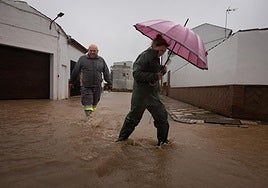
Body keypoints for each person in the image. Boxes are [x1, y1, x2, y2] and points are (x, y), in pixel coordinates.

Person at [116, 34, 170, 146]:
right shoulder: (145, 56)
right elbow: (136, 73)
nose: (162, 53)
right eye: (161, 50)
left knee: (162, 118)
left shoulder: (155, 58)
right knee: (133, 119)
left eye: (164, 51)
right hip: (141, 96)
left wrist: (162, 70)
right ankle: (121, 141)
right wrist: (155, 76)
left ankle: (163, 143)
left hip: (153, 95)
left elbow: (152, 71)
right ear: (154, 46)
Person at [69, 44, 112, 119]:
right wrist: (71, 81)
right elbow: (76, 71)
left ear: (97, 51)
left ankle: (92, 115)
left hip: (97, 86)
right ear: (88, 50)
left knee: (95, 102)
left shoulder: (101, 60)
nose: (92, 52)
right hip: (86, 86)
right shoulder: (82, 59)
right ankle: (89, 120)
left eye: (94, 51)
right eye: (90, 50)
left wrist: (109, 82)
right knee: (88, 102)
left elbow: (106, 72)